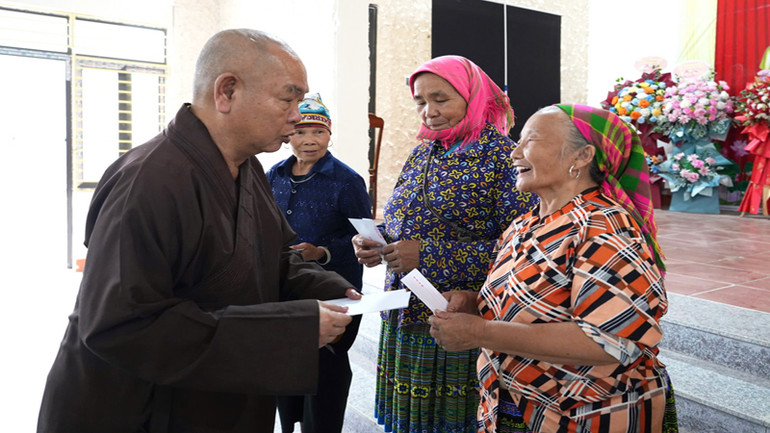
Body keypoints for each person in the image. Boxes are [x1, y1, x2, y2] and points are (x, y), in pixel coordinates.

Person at [36, 29, 360, 433]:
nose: (297, 115)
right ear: (227, 91)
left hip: (213, 400)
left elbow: (269, 258)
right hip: (138, 409)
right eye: (288, 99)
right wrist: (288, 330)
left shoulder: (249, 169)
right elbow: (121, 325)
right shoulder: (150, 180)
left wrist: (325, 286)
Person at [428, 104, 679, 433]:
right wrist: (474, 302)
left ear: (581, 156)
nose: (514, 153)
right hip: (523, 404)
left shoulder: (605, 228)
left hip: (588, 414)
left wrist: (480, 332)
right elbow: (543, 301)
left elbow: (607, 340)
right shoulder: (527, 223)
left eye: (530, 140)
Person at [353, 55, 537, 433]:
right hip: (405, 313)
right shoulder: (425, 150)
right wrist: (381, 240)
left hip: (459, 317)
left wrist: (427, 255)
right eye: (420, 101)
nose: (428, 112)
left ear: (473, 97)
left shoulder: (502, 157)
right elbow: (413, 217)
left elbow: (525, 247)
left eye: (441, 99)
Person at [266, 93, 372, 432]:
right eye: (299, 132)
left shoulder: (348, 181)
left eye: (318, 132)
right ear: (288, 135)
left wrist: (321, 252)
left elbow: (364, 238)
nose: (309, 140)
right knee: (287, 358)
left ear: (329, 135)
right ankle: (291, 423)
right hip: (285, 285)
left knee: (328, 363)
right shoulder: (274, 176)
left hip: (336, 287)